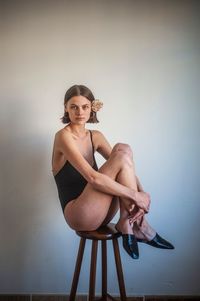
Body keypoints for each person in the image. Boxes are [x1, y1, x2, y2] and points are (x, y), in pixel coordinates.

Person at [52, 84, 174, 259]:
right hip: (79, 214)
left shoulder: (96, 136)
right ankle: (140, 227)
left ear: (92, 108)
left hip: (101, 212)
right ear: (66, 108)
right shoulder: (63, 137)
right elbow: (93, 178)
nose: (80, 112)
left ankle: (128, 221)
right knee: (120, 153)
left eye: (85, 107)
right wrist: (135, 196)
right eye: (74, 107)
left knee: (123, 150)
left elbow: (126, 165)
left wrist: (142, 191)